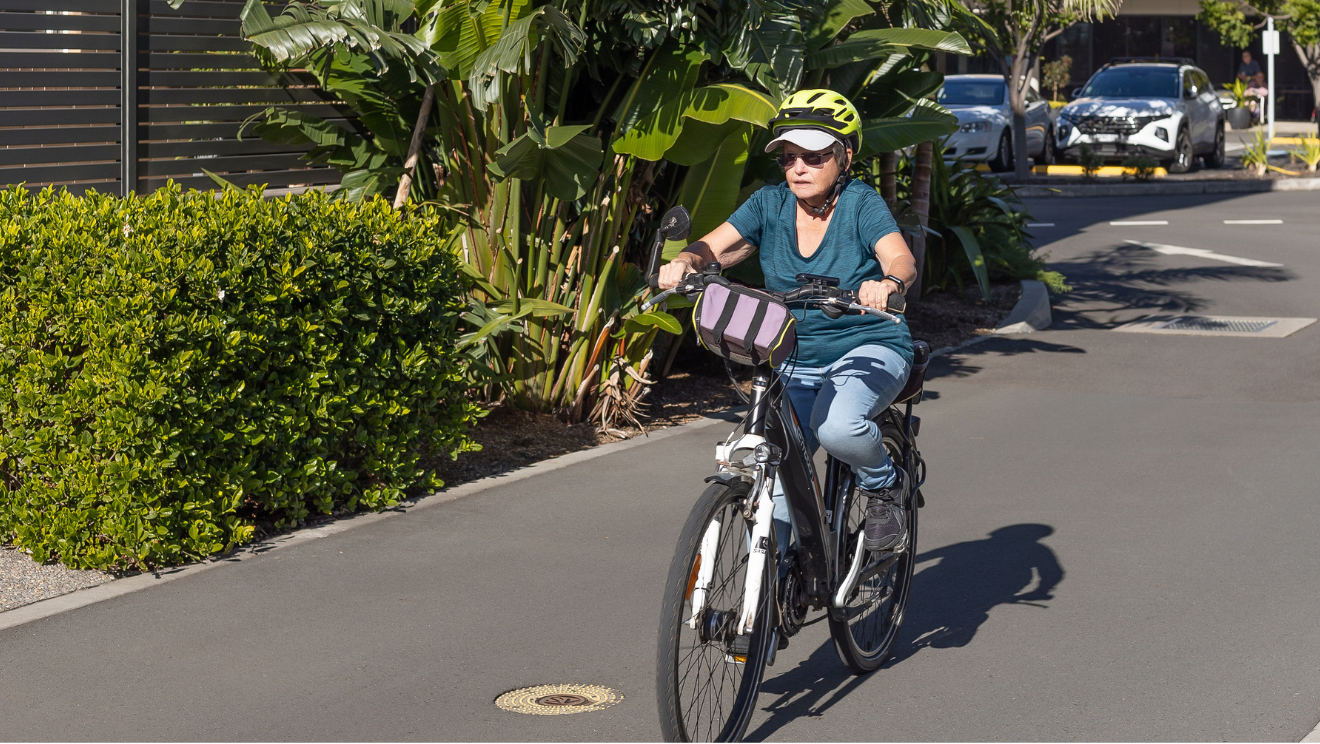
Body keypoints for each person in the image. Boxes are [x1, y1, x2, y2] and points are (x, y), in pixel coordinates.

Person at [657, 89, 918, 552]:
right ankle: (770, 597)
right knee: (772, 466)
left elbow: (900, 258)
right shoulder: (769, 204)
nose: (799, 167)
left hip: (868, 346)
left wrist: (889, 284)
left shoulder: (861, 203)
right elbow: (713, 248)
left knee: (837, 428)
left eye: (815, 157)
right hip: (794, 356)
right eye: (790, 157)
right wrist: (684, 263)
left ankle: (884, 484)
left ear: (845, 155)